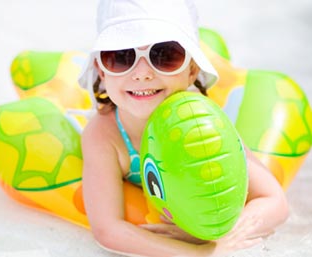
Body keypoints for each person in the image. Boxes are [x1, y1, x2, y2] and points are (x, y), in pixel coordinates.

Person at [80, 0, 289, 256]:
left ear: (191, 70)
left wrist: (225, 237)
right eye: (121, 57)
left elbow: (274, 201)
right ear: (101, 71)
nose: (142, 74)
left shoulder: (203, 126)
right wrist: (200, 254)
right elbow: (108, 231)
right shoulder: (105, 136)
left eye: (165, 56)